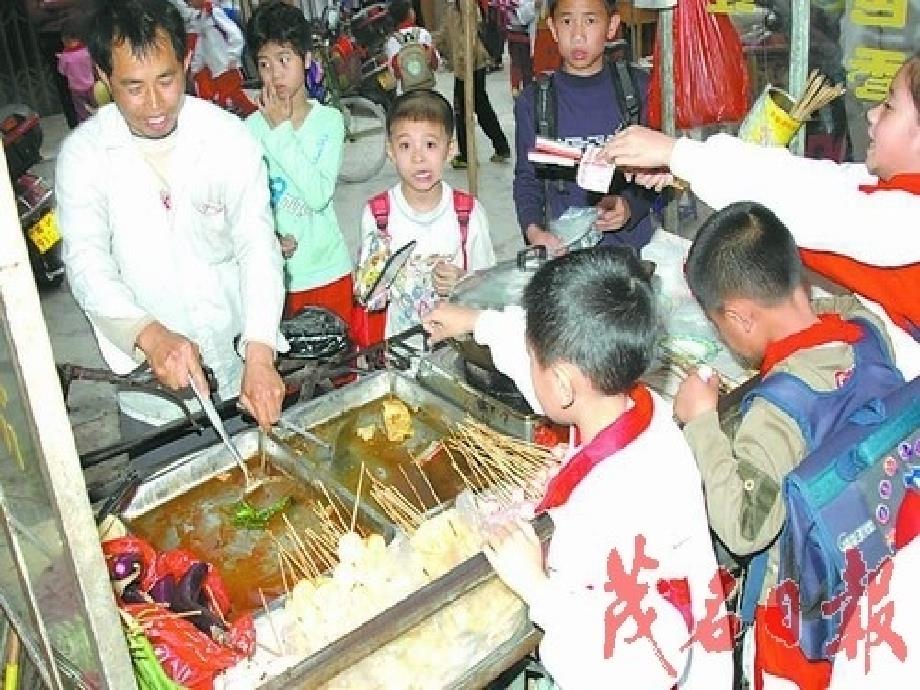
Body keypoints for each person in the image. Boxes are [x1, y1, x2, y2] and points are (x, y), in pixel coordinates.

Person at [422, 247, 732, 688]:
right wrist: (477, 322)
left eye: (534, 358)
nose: (528, 366)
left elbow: (640, 667)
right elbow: (550, 365)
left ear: (564, 383)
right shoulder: (635, 407)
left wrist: (537, 588)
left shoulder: (614, 500)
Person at [673, 201, 904, 689]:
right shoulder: (869, 333)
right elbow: (842, 307)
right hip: (878, 563)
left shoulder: (777, 411)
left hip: (803, 626)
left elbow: (745, 529)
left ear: (739, 318)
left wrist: (700, 424)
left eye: (720, 323)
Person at [55, 0, 286, 447]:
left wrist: (260, 351)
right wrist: (151, 336)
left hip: (242, 377)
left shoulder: (227, 138)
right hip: (152, 396)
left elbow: (257, 246)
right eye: (133, 87)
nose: (155, 104)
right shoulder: (84, 156)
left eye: (166, 80)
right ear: (103, 77)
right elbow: (86, 264)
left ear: (185, 61)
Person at [603, 53, 920, 369]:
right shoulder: (889, 191)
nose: (873, 115)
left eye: (890, 107)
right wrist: (682, 167)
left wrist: (677, 153)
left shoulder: (904, 222)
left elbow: (810, 206)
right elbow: (812, 178)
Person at [513, 0, 656, 255]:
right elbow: (527, 178)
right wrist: (534, 231)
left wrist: (629, 206)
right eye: (567, 22)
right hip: (566, 254)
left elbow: (660, 175)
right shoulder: (534, 102)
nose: (578, 35)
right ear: (553, 29)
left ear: (611, 26)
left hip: (634, 254)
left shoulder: (638, 90)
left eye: (590, 21)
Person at [354, 89, 496, 339]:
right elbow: (370, 298)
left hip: (457, 352)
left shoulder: (468, 213)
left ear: (450, 149)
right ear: (390, 152)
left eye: (430, 145)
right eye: (405, 145)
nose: (418, 157)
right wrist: (374, 281)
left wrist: (462, 282)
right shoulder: (378, 215)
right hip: (400, 353)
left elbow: (490, 290)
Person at [245, 0, 353, 324]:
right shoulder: (248, 130)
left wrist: (279, 131)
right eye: (264, 64)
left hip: (328, 270)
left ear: (306, 59)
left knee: (340, 371)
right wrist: (268, 240)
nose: (274, 74)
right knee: (287, 374)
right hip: (274, 278)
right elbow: (245, 205)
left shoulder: (329, 122)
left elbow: (318, 195)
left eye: (284, 59)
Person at [434, 0, 512, 169]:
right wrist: (433, 45)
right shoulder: (453, 6)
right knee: (481, 107)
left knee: (461, 110)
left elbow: (470, 37)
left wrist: (462, 62)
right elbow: (447, 31)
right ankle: (501, 145)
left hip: (471, 65)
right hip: (465, 66)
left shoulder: (467, 5)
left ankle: (467, 155)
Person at [169, 0, 256, 116]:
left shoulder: (214, 12)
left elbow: (235, 35)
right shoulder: (199, 18)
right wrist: (195, 68)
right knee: (217, 102)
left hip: (226, 65)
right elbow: (199, 46)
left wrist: (233, 56)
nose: (189, 3)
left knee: (238, 98)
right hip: (212, 69)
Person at [385, 0, 439, 94]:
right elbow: (436, 65)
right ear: (410, 14)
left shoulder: (391, 41)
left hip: (406, 91)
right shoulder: (423, 33)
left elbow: (395, 74)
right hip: (428, 88)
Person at [56, 24, 96, 124]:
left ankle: (85, 125)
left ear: (65, 40)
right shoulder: (87, 51)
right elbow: (93, 65)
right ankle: (97, 122)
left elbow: (61, 71)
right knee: (95, 105)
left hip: (76, 88)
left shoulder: (65, 57)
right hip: (91, 84)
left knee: (81, 109)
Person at [506, 0, 536, 97]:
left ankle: (526, 87)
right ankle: (517, 86)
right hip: (516, 30)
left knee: (526, 63)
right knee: (518, 62)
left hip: (528, 32)